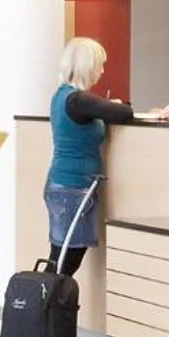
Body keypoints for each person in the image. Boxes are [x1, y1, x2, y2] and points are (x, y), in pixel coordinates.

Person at [44, 36, 134, 277]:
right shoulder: (78, 100)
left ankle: (47, 299)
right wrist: (111, 104)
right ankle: (48, 300)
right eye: (100, 65)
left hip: (64, 184)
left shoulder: (63, 96)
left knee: (61, 259)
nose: (102, 71)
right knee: (65, 262)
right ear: (88, 66)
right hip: (73, 189)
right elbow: (125, 112)